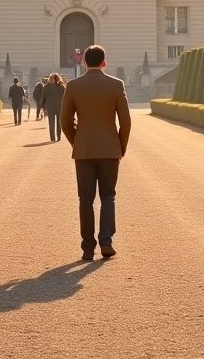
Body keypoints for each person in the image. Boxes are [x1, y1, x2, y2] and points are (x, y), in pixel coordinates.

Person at [61, 45, 131, 261]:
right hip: (110, 148)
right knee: (108, 195)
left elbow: (65, 122)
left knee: (85, 199)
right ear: (104, 62)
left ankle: (88, 247)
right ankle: (106, 240)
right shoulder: (116, 84)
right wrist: (121, 146)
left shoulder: (72, 86)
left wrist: (77, 142)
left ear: (83, 62)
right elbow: (126, 122)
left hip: (84, 149)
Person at [42, 73, 66, 143]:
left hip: (50, 106)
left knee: (51, 122)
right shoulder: (62, 87)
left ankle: (52, 137)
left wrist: (42, 106)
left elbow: (44, 97)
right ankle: (59, 136)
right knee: (59, 122)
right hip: (59, 105)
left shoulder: (47, 87)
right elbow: (65, 98)